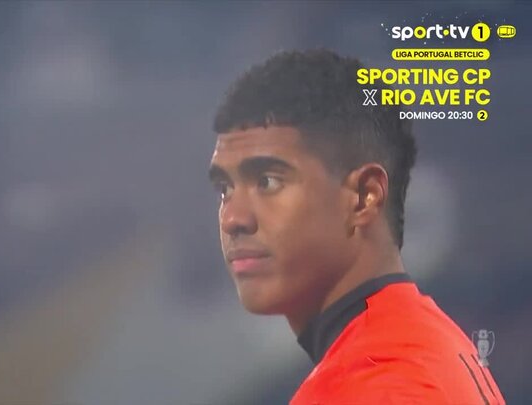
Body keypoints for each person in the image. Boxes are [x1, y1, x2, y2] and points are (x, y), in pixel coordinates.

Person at [207, 49, 505, 404]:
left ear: (364, 197)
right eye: (225, 189)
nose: (233, 219)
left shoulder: (375, 384)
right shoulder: (430, 345)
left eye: (268, 182)